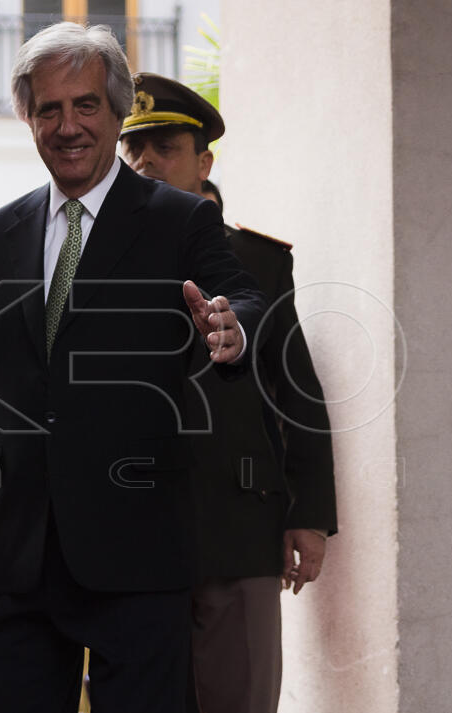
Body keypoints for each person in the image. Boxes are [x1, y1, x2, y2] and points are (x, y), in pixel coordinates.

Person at [0, 22, 267, 713]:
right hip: (21, 566)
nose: (68, 125)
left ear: (117, 114)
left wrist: (234, 328)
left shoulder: (178, 222)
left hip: (141, 561)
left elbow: (249, 295)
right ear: (28, 118)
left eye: (85, 105)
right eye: (48, 108)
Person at [118, 73, 338, 713]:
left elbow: (298, 392)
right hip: (126, 534)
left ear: (203, 161)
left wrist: (310, 514)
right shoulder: (86, 264)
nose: (147, 162)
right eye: (134, 151)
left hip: (236, 526)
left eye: (165, 147)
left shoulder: (258, 264)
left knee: (239, 700)